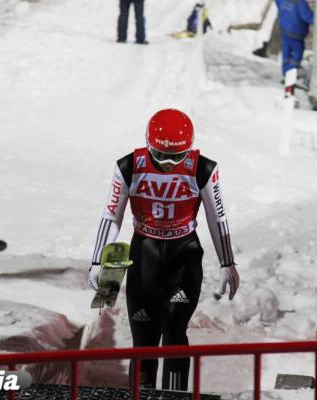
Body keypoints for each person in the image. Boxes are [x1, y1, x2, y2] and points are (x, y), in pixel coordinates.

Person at [90, 109, 240, 391]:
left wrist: (227, 263)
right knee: (144, 340)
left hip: (183, 256)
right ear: (148, 145)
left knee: (173, 330)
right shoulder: (128, 166)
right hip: (143, 254)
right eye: (160, 156)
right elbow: (112, 215)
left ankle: (175, 395)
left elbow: (216, 215)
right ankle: (142, 395)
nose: (169, 164)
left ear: (190, 149)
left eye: (177, 156)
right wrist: (99, 262)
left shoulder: (203, 169)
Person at [274, 0, 314, 96]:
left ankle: (286, 75)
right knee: (296, 57)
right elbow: (307, 17)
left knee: (286, 55)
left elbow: (278, 4)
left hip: (284, 30)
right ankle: (291, 78)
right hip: (296, 33)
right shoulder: (300, 2)